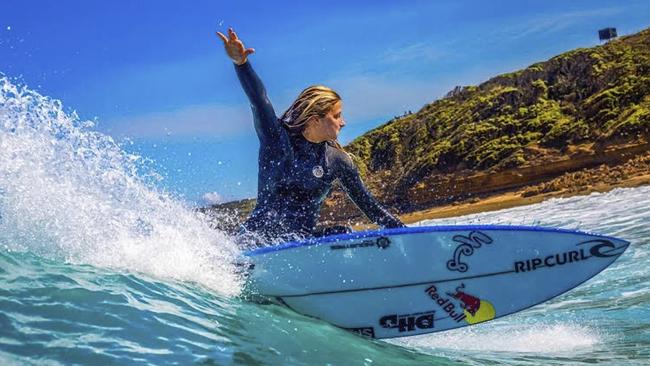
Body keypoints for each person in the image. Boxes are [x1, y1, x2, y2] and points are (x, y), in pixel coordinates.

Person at [216, 28, 404, 246]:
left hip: (299, 246)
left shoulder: (337, 161)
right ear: (315, 119)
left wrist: (410, 236)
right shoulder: (277, 140)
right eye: (337, 116)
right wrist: (241, 64)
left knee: (343, 232)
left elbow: (370, 207)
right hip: (257, 243)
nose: (343, 122)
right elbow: (260, 101)